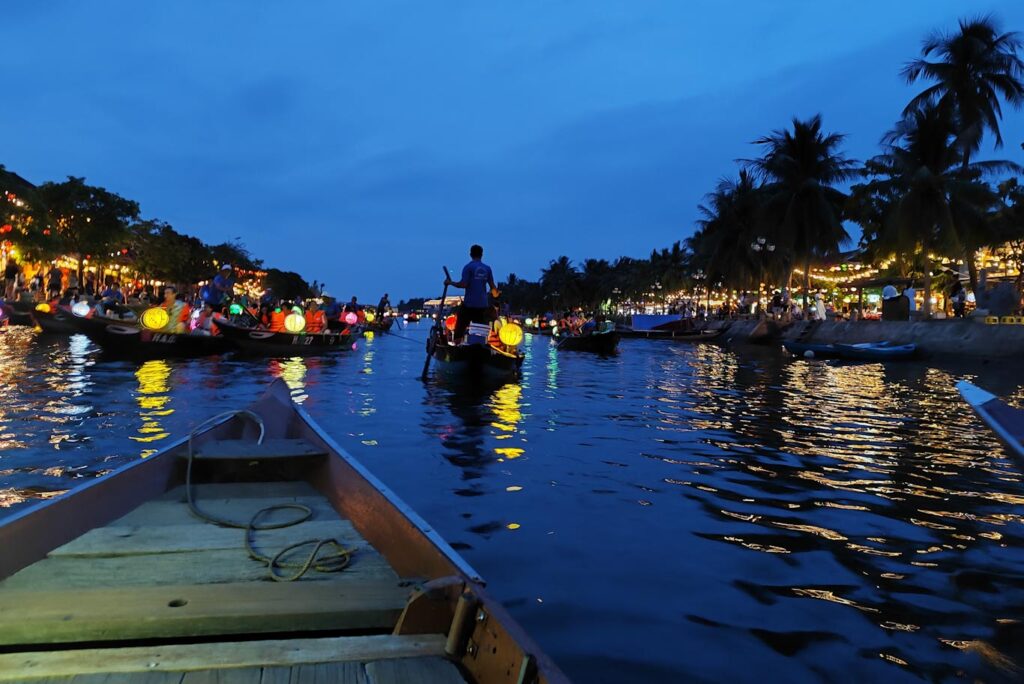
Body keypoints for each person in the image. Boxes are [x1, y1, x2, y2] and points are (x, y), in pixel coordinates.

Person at [445, 244, 496, 343]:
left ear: (470, 254)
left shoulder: (468, 267)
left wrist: (449, 283)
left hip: (469, 305)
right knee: (480, 332)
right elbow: (493, 288)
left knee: (459, 328)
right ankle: (479, 345)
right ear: (481, 255)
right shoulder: (487, 268)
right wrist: (496, 295)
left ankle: (457, 343)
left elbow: (463, 284)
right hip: (482, 305)